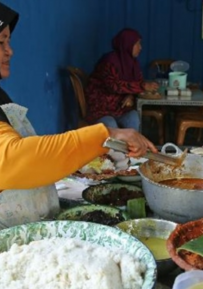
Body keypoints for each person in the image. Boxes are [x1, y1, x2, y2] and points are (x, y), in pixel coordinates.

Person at [0, 3, 157, 228]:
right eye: (0, 42)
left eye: (9, 40)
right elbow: (13, 160)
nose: (10, 50)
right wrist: (107, 133)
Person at [85, 28, 159, 131]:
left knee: (133, 118)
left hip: (120, 110)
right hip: (101, 111)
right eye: (137, 44)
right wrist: (143, 86)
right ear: (127, 45)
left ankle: (132, 147)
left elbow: (136, 83)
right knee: (111, 125)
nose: (140, 47)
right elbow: (114, 86)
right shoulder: (109, 62)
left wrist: (131, 96)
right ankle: (115, 148)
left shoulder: (133, 64)